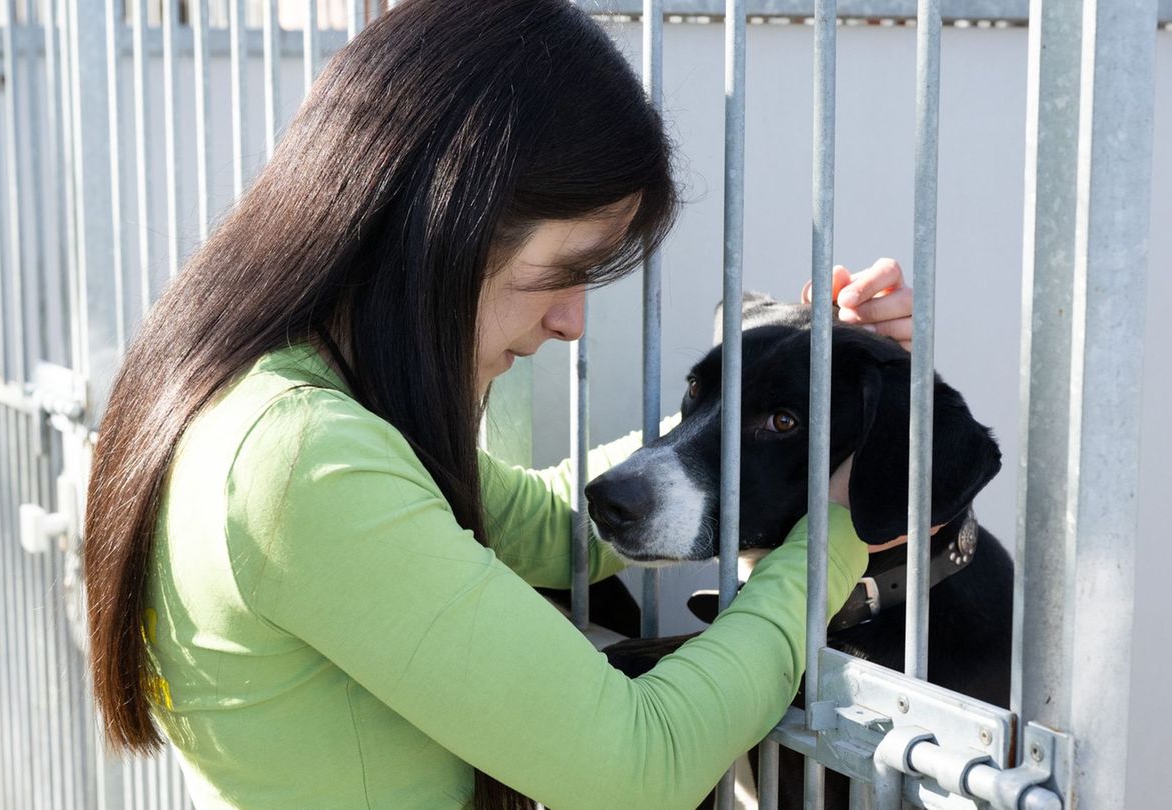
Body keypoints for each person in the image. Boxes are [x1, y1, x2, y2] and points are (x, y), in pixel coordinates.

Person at [83, 1, 915, 808]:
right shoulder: (303, 460)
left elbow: (558, 526)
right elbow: (636, 766)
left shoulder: (257, 400)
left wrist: (801, 378)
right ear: (449, 221)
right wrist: (839, 525)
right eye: (568, 269)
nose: (572, 320)